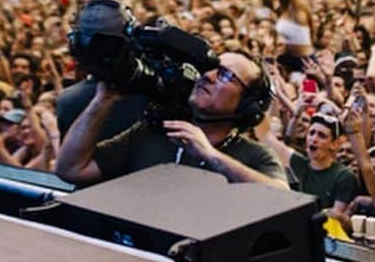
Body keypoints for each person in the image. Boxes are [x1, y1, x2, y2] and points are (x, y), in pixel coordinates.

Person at [54, 51, 288, 188]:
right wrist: (102, 101)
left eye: (225, 75)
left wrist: (212, 156)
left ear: (247, 107)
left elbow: (283, 199)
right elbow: (70, 169)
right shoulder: (151, 133)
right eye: (210, 67)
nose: (207, 76)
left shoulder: (254, 155)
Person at [264, 111, 357, 217]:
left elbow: (336, 218)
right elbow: (265, 136)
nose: (314, 139)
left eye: (321, 136)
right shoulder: (300, 163)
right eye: (311, 133)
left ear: (334, 144)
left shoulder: (344, 176)